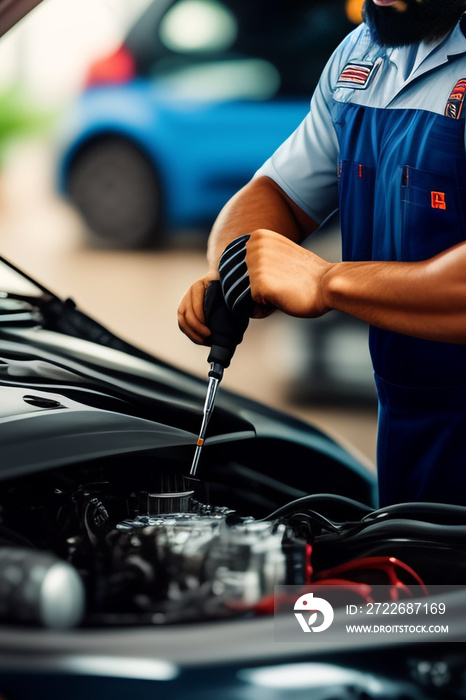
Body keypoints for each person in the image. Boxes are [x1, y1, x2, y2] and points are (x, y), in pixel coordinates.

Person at [178, 0, 466, 507]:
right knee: (404, 584)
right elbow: (273, 193)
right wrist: (233, 268)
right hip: (405, 426)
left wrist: (324, 281)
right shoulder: (362, 55)